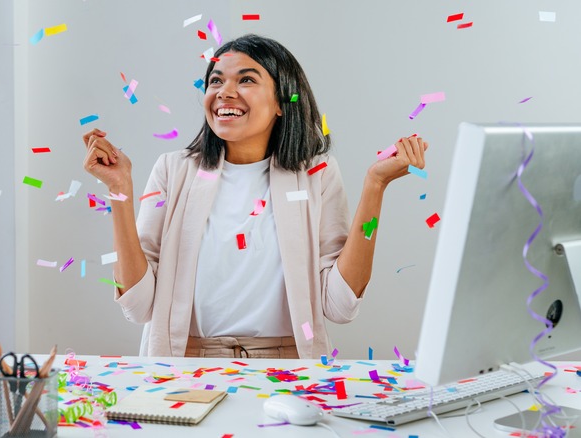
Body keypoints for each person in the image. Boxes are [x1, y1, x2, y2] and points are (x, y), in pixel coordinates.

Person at [81, 34, 428, 359]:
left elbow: (340, 305)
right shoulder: (173, 170)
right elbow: (137, 306)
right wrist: (119, 190)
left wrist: (375, 186)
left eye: (246, 80)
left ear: (282, 101)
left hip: (288, 365)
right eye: (216, 80)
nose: (224, 92)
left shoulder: (316, 174)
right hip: (185, 363)